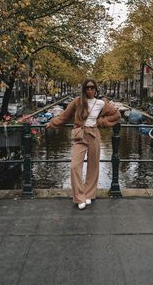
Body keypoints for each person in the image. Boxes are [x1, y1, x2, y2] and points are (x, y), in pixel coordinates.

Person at [46, 79, 121, 210]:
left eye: (92, 88)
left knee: (93, 167)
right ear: (84, 89)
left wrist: (101, 122)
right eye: (87, 88)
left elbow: (116, 114)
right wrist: (52, 123)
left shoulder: (101, 103)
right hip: (79, 135)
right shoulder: (77, 102)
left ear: (96, 89)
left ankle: (89, 194)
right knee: (75, 166)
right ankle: (79, 197)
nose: (90, 90)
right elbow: (64, 116)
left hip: (94, 135)